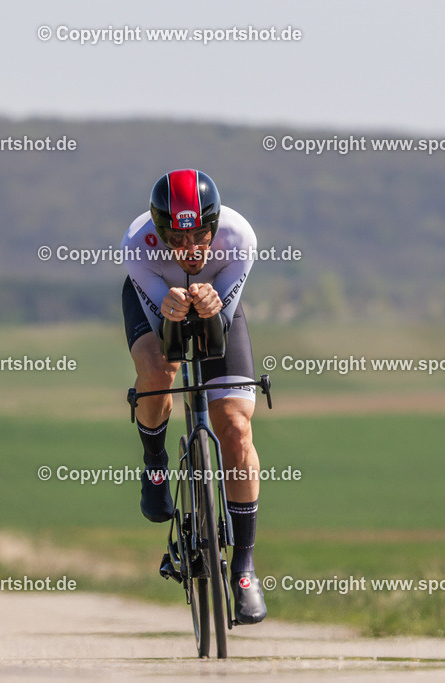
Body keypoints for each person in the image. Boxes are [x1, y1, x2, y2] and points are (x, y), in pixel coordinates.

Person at [120, 169, 267, 624]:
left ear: (215, 223)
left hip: (219, 302)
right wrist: (169, 303)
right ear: (159, 231)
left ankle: (243, 567)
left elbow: (218, 322)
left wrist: (211, 304)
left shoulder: (239, 236)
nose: (190, 249)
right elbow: (166, 328)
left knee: (237, 429)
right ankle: (155, 463)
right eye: (176, 238)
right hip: (153, 300)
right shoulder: (137, 243)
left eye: (200, 235)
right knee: (159, 367)